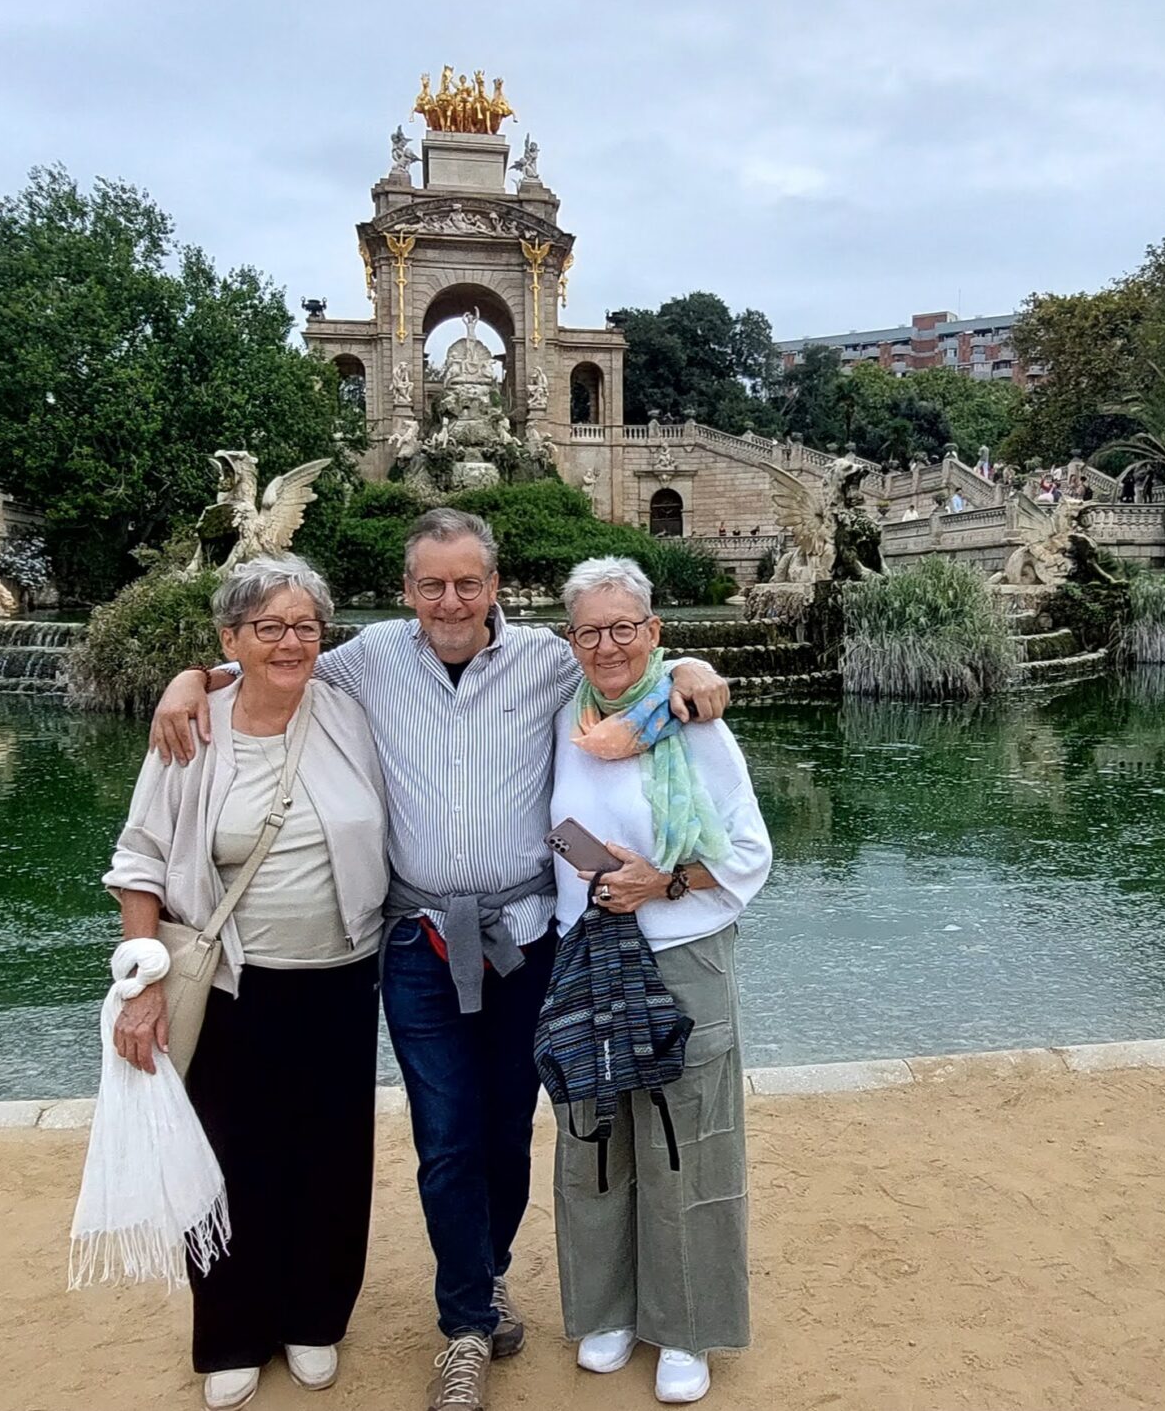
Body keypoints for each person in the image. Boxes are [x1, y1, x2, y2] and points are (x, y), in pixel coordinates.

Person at [152, 510, 732, 1411]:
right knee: (445, 1133)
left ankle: (486, 1274)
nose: (450, 600)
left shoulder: (547, 660)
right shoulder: (369, 660)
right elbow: (273, 660)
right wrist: (191, 678)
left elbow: (628, 665)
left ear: (494, 586)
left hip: (526, 936)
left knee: (507, 1128)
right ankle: (464, 1323)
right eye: (432, 584)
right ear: (407, 590)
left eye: (468, 582)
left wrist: (692, 664)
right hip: (418, 940)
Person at [109, 557, 393, 1411]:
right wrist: (141, 982)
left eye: (305, 625)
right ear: (230, 638)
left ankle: (314, 1316)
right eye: (268, 627)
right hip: (233, 982)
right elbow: (140, 857)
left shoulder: (348, 709)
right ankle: (233, 1330)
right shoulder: (193, 728)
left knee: (332, 1156)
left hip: (342, 975)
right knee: (229, 1157)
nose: (290, 642)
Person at [544, 557, 770, 1406]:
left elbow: (750, 853)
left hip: (681, 952)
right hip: (587, 954)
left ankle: (685, 1325)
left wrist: (663, 881)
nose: (608, 646)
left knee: (685, 1137)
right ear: (570, 640)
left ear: (654, 633)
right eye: (590, 631)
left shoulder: (693, 724)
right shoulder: (563, 718)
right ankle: (607, 1309)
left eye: (624, 628)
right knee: (593, 1134)